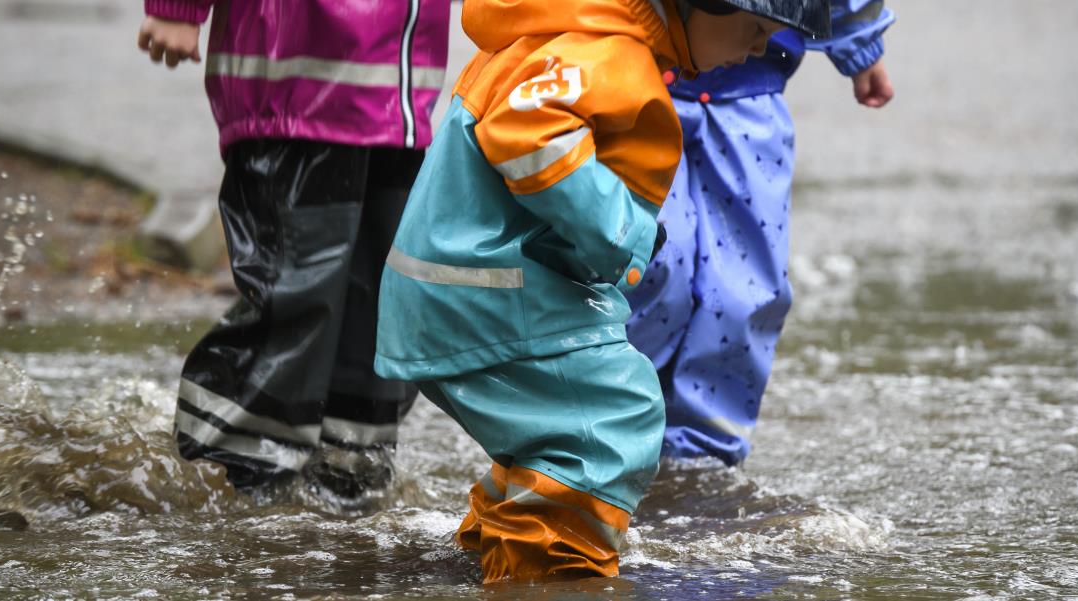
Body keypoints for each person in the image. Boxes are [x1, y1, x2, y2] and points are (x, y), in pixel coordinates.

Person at [372, 0, 833, 582]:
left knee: (562, 431)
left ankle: (499, 542)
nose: (760, 50)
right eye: (757, 29)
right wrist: (625, 233)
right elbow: (524, 128)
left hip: (481, 286)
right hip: (486, 291)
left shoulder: (595, 35)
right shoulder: (609, 50)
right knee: (617, 413)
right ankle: (550, 575)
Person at [134, 0, 451, 500]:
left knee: (380, 309)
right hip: (295, 80)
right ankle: (229, 486)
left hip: (399, 93)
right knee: (295, 300)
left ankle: (346, 485)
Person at [626, 0, 895, 467]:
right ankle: (617, 424)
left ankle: (702, 460)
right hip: (635, 80)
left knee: (744, 289)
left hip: (750, 92)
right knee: (647, 266)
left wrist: (859, 41)